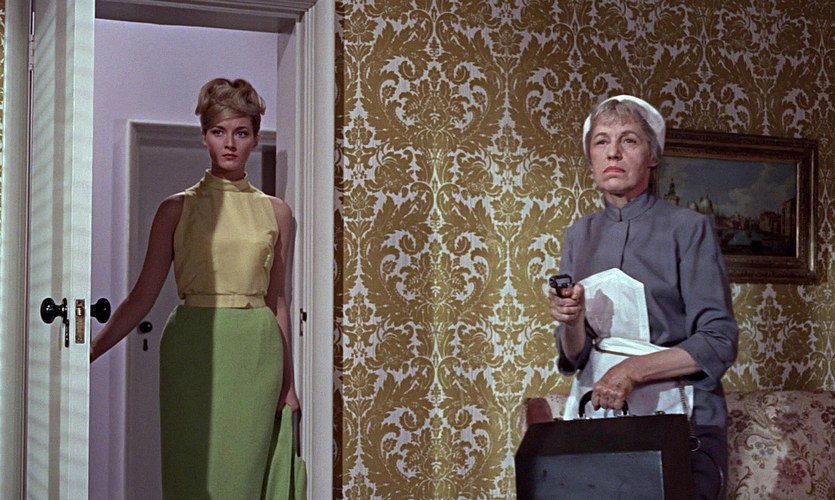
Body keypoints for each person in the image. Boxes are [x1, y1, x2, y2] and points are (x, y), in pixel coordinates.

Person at [91, 78, 301, 498]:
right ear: (204, 135)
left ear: (255, 137)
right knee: (192, 474)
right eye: (219, 131)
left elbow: (278, 299)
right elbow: (141, 297)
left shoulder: (276, 212)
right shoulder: (175, 209)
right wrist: (88, 352)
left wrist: (288, 383)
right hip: (192, 348)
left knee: (243, 476)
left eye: (241, 132)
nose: (230, 144)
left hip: (255, 351)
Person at [549, 95, 738, 499]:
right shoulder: (579, 235)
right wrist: (572, 321)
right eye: (601, 141)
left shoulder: (689, 228)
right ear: (590, 160)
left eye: (629, 140)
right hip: (599, 419)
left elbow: (719, 341)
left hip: (683, 421)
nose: (613, 152)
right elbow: (575, 357)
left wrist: (632, 371)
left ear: (652, 157)